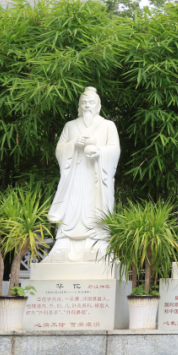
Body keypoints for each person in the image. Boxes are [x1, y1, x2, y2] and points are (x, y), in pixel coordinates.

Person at [45, 87, 121, 263]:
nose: (87, 106)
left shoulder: (108, 125)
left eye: (91, 102)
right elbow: (59, 150)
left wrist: (99, 153)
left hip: (95, 176)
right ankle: (64, 242)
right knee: (71, 206)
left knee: (94, 208)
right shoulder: (70, 126)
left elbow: (114, 149)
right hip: (75, 175)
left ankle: (97, 242)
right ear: (79, 106)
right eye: (84, 103)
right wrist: (73, 144)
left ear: (98, 106)